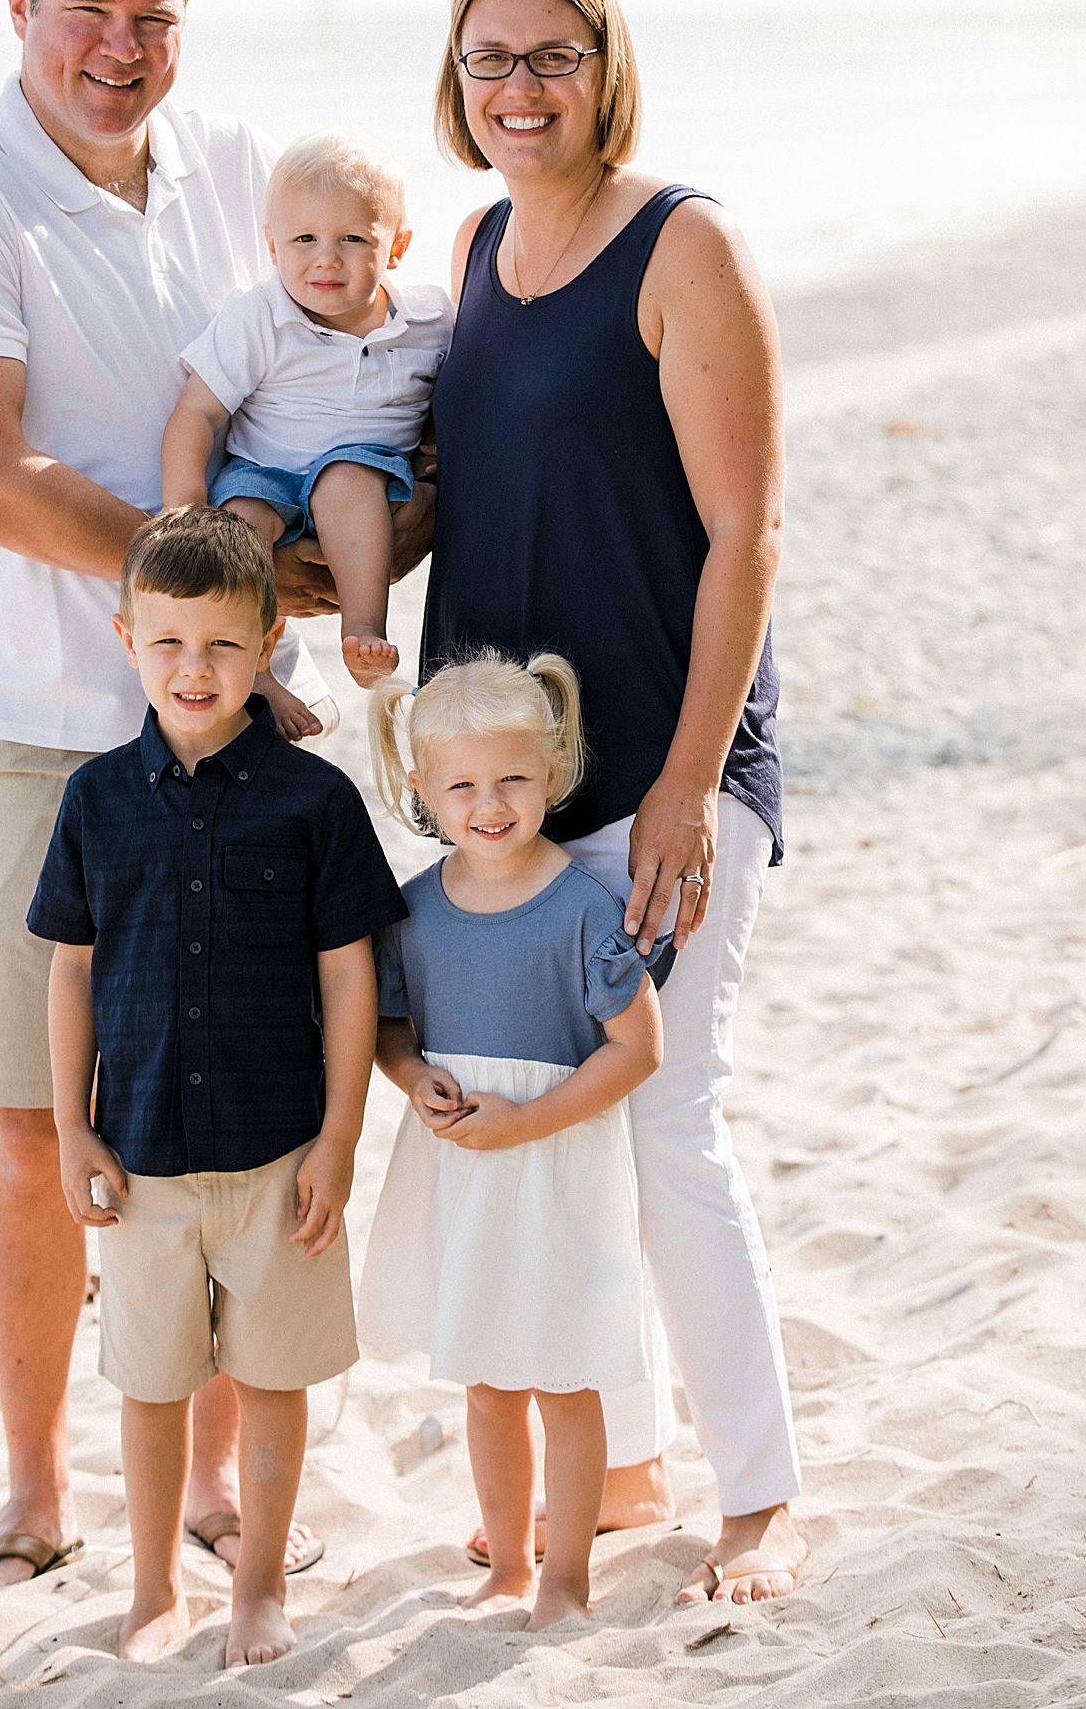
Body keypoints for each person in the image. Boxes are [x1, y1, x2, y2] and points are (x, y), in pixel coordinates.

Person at [0, 0, 429, 1591]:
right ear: (21, 2)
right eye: (91, 11)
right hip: (44, 729)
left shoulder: (244, 172)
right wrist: (211, 593)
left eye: (155, 18)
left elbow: (369, 368)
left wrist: (355, 565)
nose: (121, 49)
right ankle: (39, 1495)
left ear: (189, 17)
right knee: (37, 1124)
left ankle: (201, 1486)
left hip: (249, 731)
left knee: (234, 1112)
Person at [423, 0, 807, 1605]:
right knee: (558, 1135)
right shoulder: (478, 241)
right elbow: (479, 484)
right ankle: (630, 1463)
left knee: (664, 1122)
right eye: (487, 60)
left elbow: (749, 530)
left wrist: (683, 781)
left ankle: (762, 1496)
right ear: (456, 83)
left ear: (606, 67)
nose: (518, 89)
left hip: (670, 760)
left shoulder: (684, 242)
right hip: (511, 788)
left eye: (549, 57)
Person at [29, 508, 406, 1664]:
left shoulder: (313, 802)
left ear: (270, 639)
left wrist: (341, 1140)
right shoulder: (96, 801)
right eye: (169, 644)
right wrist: (70, 1132)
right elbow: (70, 971)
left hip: (280, 1154)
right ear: (127, 639)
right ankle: (153, 1594)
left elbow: (350, 981)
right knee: (149, 1385)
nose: (195, 670)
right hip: (139, 1160)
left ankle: (255, 1593)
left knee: (274, 1379)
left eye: (223, 647)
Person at [360, 653, 665, 1631]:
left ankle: (564, 1574)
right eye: (460, 786)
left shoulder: (579, 910)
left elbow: (637, 1049)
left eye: (512, 781)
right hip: (463, 1174)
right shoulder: (411, 911)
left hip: (556, 1165)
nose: (487, 805)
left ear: (553, 770)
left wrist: (526, 1122)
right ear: (421, 789)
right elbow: (388, 1030)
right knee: (488, 1380)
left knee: (563, 1380)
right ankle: (502, 1559)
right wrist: (413, 1081)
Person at [162, 129, 452, 692]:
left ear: (396, 246)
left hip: (364, 478)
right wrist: (185, 515)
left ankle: (364, 629)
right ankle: (258, 668)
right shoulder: (258, 318)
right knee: (239, 528)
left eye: (352, 239)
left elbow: (462, 395)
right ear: (272, 246)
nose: (326, 259)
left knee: (347, 480)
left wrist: (434, 465)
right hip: (265, 473)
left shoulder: (430, 322)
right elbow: (197, 414)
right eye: (304, 239)